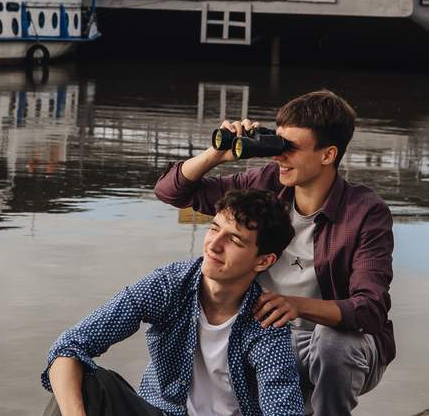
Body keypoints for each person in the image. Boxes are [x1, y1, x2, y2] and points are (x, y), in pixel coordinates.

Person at [154, 90, 395, 416]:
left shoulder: (365, 212)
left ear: (328, 155)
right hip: (269, 337)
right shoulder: (265, 184)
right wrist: (216, 154)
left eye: (291, 148)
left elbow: (369, 309)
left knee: (333, 343)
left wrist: (294, 306)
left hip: (339, 344)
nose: (279, 157)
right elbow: (170, 191)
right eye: (278, 144)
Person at [41, 189, 304, 416]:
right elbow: (69, 347)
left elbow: (282, 410)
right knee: (89, 384)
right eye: (214, 228)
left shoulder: (266, 322)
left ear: (263, 261)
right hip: (158, 412)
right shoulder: (168, 286)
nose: (214, 245)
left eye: (233, 240)